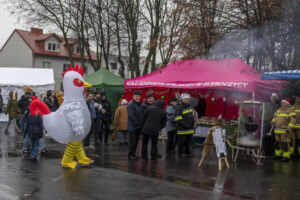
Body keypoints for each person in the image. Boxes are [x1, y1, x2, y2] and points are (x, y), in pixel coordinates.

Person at [127, 90, 143, 160]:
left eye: (139, 96)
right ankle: (131, 155)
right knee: (133, 142)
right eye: (136, 96)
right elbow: (131, 116)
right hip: (133, 127)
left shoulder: (139, 104)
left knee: (136, 142)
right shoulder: (131, 104)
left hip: (138, 127)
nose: (138, 97)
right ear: (133, 97)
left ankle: (133, 154)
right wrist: (137, 123)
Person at [291, 91, 300, 156]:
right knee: (292, 140)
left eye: (298, 98)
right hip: (293, 127)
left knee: (299, 140)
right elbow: (290, 116)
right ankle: (292, 152)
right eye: (296, 98)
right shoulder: (292, 107)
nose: (297, 99)